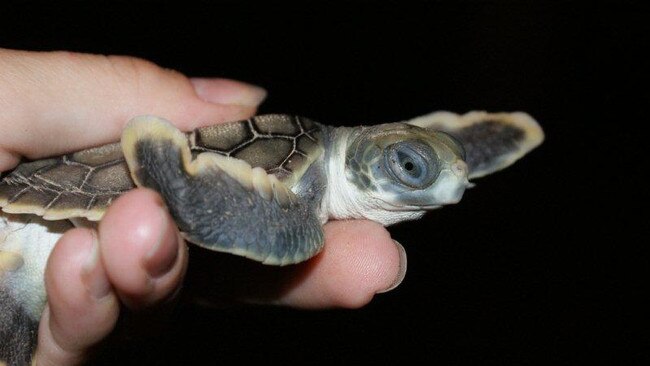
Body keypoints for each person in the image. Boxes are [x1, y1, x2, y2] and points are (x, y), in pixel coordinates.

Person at [0, 48, 406, 365]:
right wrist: (177, 180)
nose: (444, 190)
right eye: (407, 167)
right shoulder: (300, 214)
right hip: (42, 212)